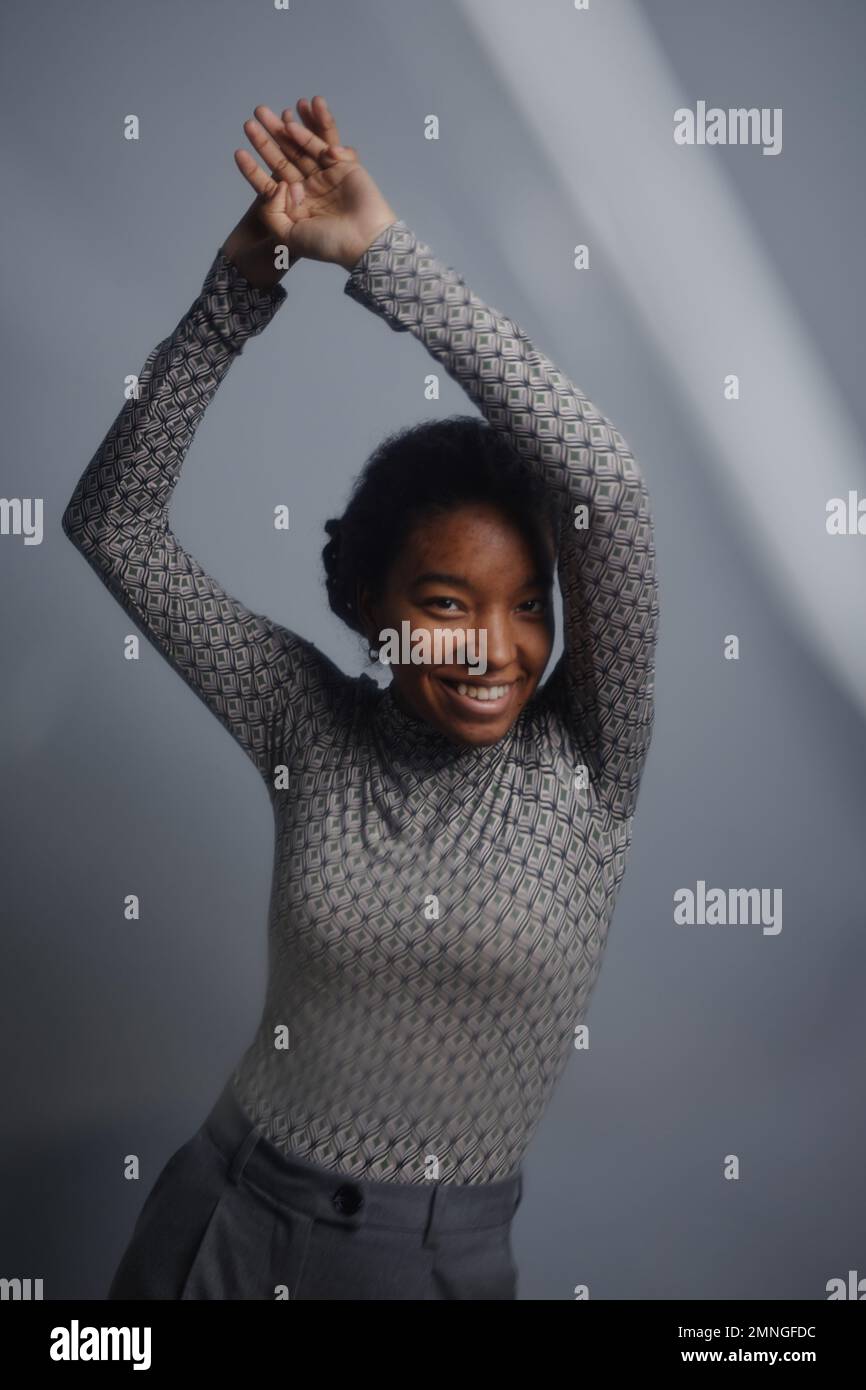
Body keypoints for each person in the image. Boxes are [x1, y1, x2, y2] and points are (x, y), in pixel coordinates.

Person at [62, 95, 659, 1300]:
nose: (497, 648)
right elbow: (110, 522)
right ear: (368, 608)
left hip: (428, 1263)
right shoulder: (307, 722)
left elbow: (606, 484)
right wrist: (237, 291)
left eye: (529, 601)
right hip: (215, 1220)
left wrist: (379, 253)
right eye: (445, 603)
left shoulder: (588, 758)